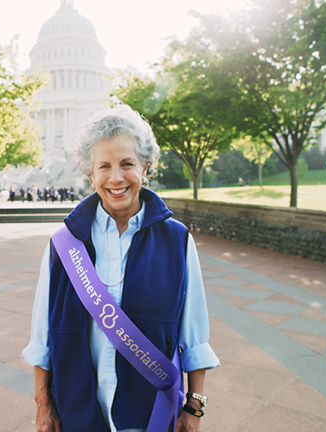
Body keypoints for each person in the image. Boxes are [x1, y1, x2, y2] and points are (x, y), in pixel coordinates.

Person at [22, 105, 220, 432]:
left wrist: (194, 407)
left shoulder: (177, 241)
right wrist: (43, 406)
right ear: (91, 173)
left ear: (145, 167)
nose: (116, 178)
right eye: (104, 166)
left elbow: (193, 337)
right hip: (78, 414)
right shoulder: (62, 245)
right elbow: (42, 339)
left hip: (149, 415)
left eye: (127, 164)